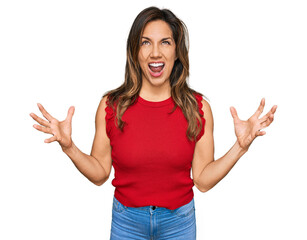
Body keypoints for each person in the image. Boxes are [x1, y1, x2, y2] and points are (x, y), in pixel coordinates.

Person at [29, 6, 277, 240]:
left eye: (165, 42)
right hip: (127, 223)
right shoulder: (112, 106)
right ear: (135, 51)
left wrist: (241, 147)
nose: (155, 52)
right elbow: (99, 174)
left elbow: (202, 180)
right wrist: (68, 146)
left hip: (179, 223)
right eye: (145, 42)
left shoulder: (197, 108)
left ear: (176, 51)